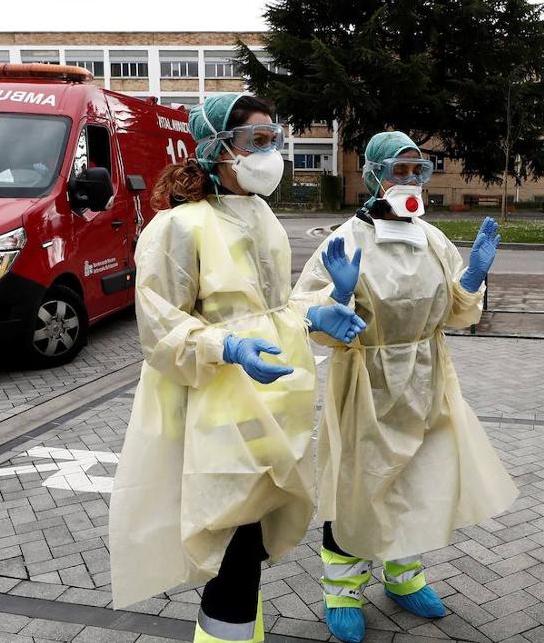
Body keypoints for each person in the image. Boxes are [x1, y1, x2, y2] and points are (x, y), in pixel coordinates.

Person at [109, 93, 367, 643]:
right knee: (233, 538)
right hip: (215, 407)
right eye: (256, 141)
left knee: (249, 535)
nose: (270, 152)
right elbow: (159, 325)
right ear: (217, 149)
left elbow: (274, 309)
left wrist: (322, 306)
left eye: (274, 138)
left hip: (269, 403)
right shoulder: (179, 227)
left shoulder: (261, 215)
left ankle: (236, 630)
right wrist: (226, 349)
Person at [294, 131, 518, 643]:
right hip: (366, 383)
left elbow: (456, 314)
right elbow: (308, 316)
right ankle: (342, 590)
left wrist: (473, 277)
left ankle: (404, 576)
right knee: (356, 486)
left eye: (419, 170)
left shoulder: (431, 239)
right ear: (374, 174)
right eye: (400, 170)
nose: (411, 180)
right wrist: (340, 295)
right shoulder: (346, 239)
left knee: (415, 482)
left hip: (425, 377)